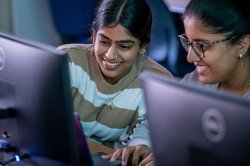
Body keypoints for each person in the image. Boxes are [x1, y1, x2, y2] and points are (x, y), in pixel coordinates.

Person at [58, 0, 173, 165]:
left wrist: (139, 148)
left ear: (142, 47)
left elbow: (142, 140)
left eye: (124, 46)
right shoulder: (67, 61)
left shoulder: (156, 84)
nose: (110, 55)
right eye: (104, 42)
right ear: (93, 36)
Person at [180, 0, 250, 98]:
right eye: (188, 42)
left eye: (201, 45)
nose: (190, 58)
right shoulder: (194, 81)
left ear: (241, 45)